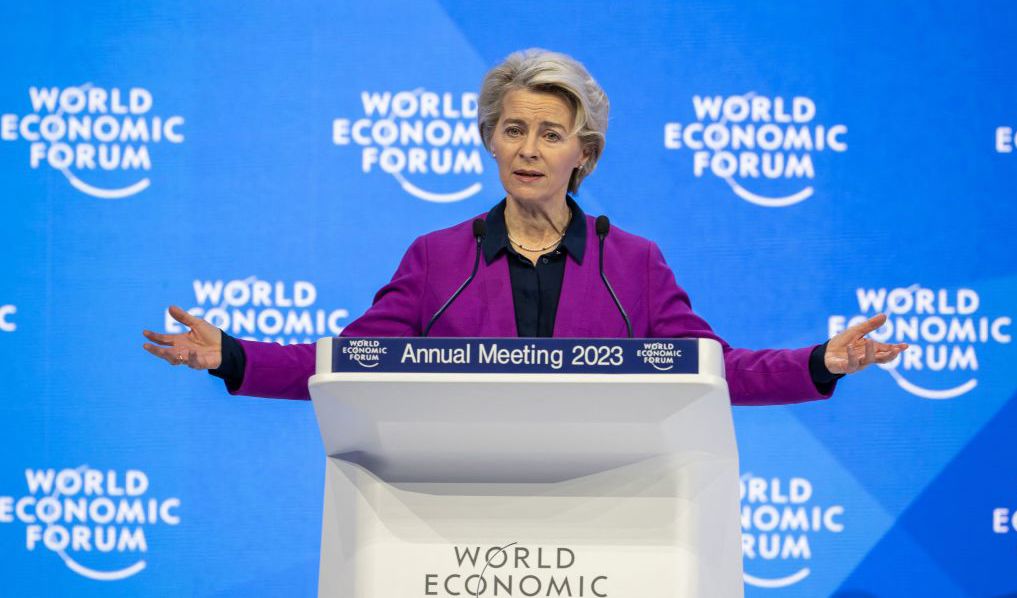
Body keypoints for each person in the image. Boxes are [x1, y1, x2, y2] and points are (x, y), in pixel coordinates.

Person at [142, 49, 906, 405]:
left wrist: (817, 363)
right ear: (488, 141)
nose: (527, 150)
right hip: (455, 530)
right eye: (511, 130)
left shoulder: (631, 264)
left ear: (584, 155)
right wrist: (232, 356)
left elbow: (711, 370)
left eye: (548, 133)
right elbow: (352, 365)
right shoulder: (438, 259)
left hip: (600, 523)